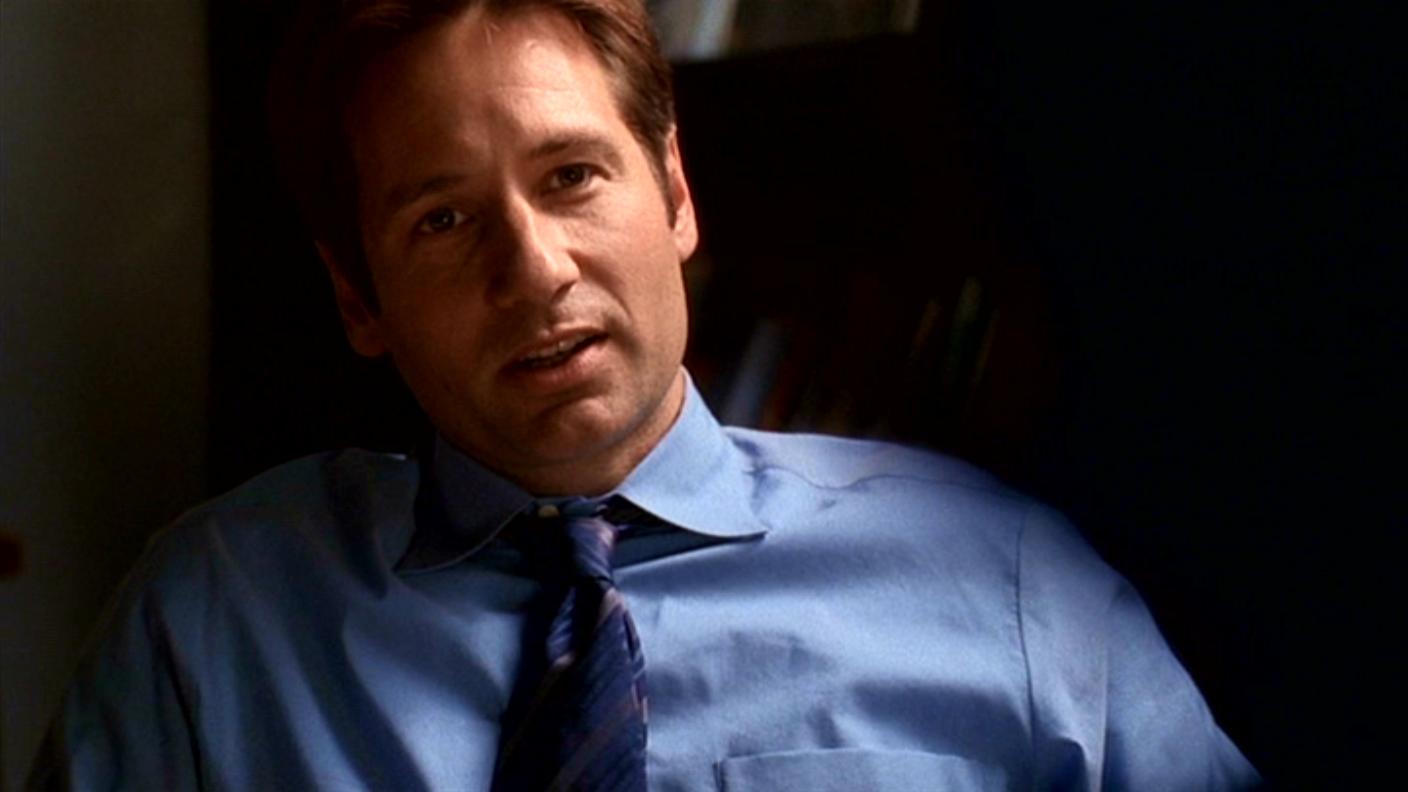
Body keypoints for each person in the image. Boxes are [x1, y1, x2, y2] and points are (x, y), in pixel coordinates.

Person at [31, 1, 1260, 789]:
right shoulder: (220, 621)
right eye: (443, 220)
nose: (534, 270)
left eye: (571, 176)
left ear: (673, 194)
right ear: (357, 297)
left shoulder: (1003, 581)